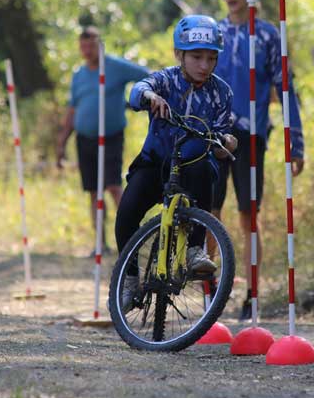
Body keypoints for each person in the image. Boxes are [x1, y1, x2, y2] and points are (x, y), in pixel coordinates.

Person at [114, 15, 237, 310]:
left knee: (205, 167)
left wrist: (227, 143)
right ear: (178, 54)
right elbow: (136, 91)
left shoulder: (222, 93)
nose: (204, 65)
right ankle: (129, 280)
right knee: (126, 214)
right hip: (155, 163)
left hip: (193, 168)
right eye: (196, 57)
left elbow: (224, 134)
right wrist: (149, 95)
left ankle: (195, 249)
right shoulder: (165, 80)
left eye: (211, 58)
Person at [213, 0, 306, 320]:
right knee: (210, 212)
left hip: (251, 134)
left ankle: (252, 293)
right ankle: (212, 289)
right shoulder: (214, 34)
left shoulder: (268, 36)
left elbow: (286, 90)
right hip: (213, 135)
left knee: (248, 215)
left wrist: (295, 142)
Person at [56, 26, 149, 256]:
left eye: (91, 45)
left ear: (99, 44)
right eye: (83, 46)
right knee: (93, 192)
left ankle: (130, 240)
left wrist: (139, 100)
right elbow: (72, 108)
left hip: (111, 137)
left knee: (114, 186)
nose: (87, 50)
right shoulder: (79, 74)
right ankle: (100, 244)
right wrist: (61, 142)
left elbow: (147, 75)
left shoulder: (115, 66)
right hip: (85, 138)